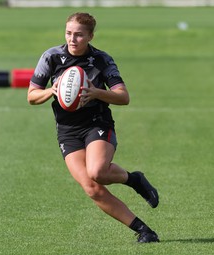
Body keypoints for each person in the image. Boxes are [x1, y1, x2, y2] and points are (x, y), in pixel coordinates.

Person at [27, 12, 160, 243]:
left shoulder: (101, 60)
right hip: (67, 130)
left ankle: (133, 180)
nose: (72, 39)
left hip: (97, 124)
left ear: (90, 36)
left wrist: (95, 92)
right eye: (69, 33)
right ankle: (144, 230)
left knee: (97, 172)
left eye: (79, 35)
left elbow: (123, 96)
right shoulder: (51, 57)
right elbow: (31, 96)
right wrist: (52, 90)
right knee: (92, 188)